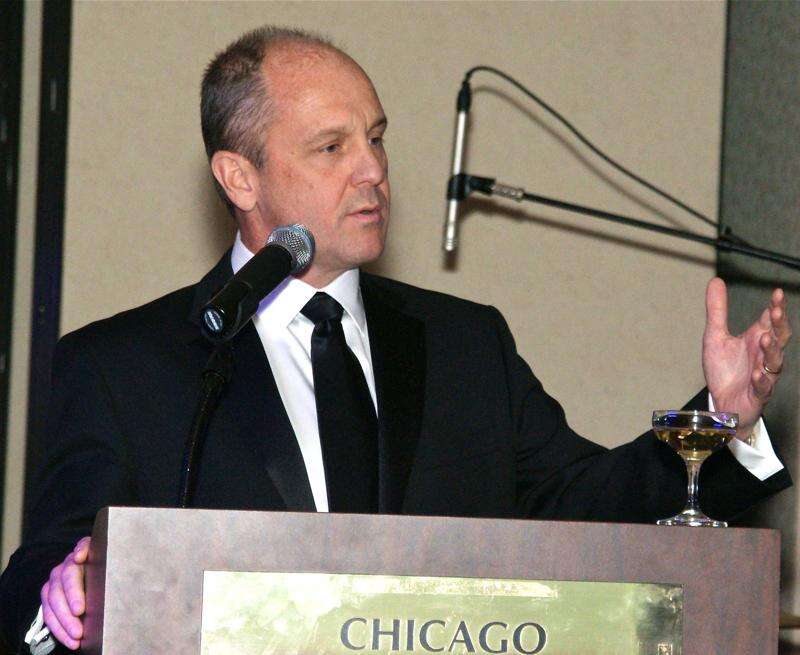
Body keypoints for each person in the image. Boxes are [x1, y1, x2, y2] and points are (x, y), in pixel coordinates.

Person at [0, 26, 792, 654]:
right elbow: (44, 571)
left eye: (375, 138)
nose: (373, 170)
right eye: (332, 147)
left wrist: (724, 416)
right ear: (240, 177)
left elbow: (588, 508)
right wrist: (65, 593)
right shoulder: (125, 366)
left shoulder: (466, 346)